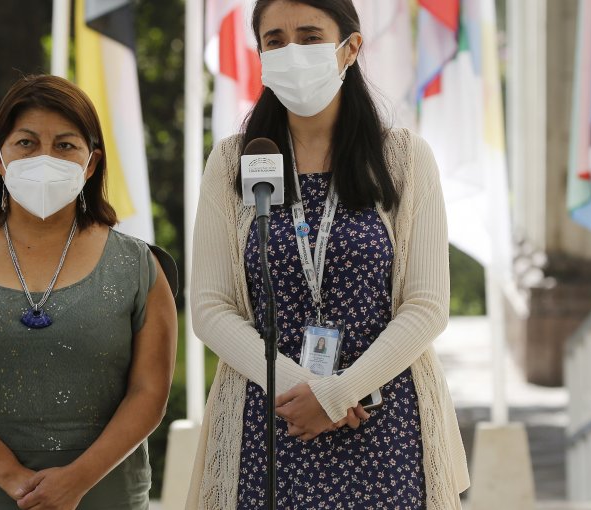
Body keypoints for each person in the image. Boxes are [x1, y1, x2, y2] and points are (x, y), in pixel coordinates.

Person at [187, 1, 469, 508]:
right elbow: (210, 308)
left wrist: (338, 395)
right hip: (272, 421)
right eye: (275, 40)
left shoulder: (402, 158)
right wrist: (303, 391)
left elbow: (427, 306)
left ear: (350, 48)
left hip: (383, 424)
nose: (291, 51)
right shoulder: (235, 162)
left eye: (310, 36)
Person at [0, 74, 177, 510]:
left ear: (90, 164)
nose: (45, 157)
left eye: (65, 145)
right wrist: (15, 481)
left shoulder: (140, 266)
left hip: (102, 494)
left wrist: (74, 483)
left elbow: (150, 394)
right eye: (26, 143)